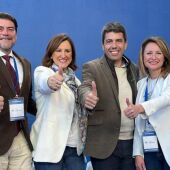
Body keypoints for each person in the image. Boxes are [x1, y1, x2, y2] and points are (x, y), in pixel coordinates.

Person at [78, 22, 138, 170]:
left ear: (126, 44)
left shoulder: (135, 69)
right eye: (109, 41)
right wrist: (87, 98)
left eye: (119, 40)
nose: (114, 45)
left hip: (132, 144)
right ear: (102, 45)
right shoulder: (92, 67)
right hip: (104, 145)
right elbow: (84, 88)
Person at [30, 33, 87, 170]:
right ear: (51, 54)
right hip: (49, 150)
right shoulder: (43, 72)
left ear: (72, 55)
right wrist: (52, 82)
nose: (63, 54)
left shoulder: (76, 81)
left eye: (67, 51)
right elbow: (45, 83)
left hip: (74, 149)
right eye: (58, 50)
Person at [124, 37, 170, 170]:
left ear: (165, 57)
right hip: (149, 149)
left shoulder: (169, 78)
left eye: (158, 53)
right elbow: (139, 123)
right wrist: (138, 153)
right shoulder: (141, 84)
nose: (153, 57)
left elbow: (166, 98)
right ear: (143, 57)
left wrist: (141, 107)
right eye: (149, 53)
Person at [0, 12, 37, 170]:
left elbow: (27, 101)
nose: (5, 33)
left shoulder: (25, 64)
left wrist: (50, 108)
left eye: (10, 29)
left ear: (16, 33)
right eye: (0, 28)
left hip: (20, 138)